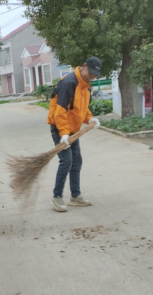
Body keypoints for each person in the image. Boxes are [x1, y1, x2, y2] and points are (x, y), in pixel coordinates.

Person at [47, 56, 102, 212]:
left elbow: (82, 110)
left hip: (73, 130)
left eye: (95, 75)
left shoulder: (86, 86)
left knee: (76, 161)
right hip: (60, 129)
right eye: (90, 73)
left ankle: (75, 196)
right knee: (66, 161)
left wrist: (90, 119)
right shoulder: (69, 83)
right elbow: (60, 111)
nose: (92, 76)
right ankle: (57, 197)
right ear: (83, 66)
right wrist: (63, 133)